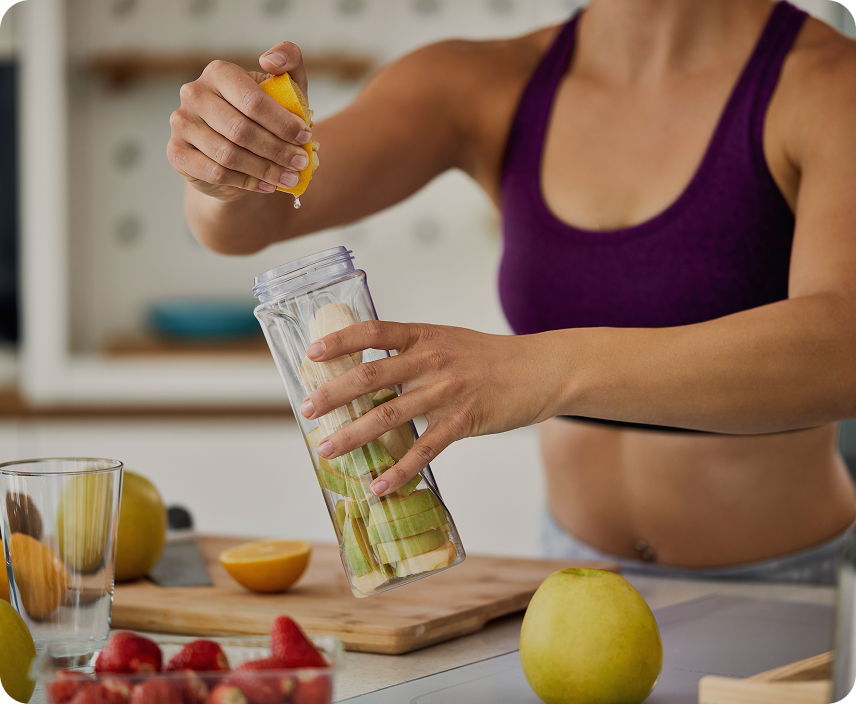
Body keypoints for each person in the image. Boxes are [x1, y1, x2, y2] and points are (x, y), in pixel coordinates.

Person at [167, 0, 856, 584]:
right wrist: (227, 163)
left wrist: (544, 369)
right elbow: (243, 221)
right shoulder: (485, 80)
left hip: (794, 584)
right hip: (570, 577)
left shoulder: (830, 83)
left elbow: (844, 348)